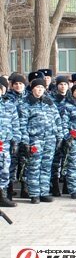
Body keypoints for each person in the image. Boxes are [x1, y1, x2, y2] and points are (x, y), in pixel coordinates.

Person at [18, 78, 64, 204]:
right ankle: (34, 194)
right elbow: (22, 125)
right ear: (32, 88)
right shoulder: (25, 104)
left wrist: (60, 137)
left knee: (46, 167)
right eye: (37, 87)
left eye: (42, 88)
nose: (39, 90)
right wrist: (26, 142)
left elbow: (57, 120)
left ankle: (44, 192)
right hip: (35, 140)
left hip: (50, 139)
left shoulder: (49, 103)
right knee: (34, 167)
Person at [0, 78, 21, 207]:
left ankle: (2, 197)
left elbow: (15, 124)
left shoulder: (9, 105)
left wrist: (16, 141)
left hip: (5, 144)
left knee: (4, 171)